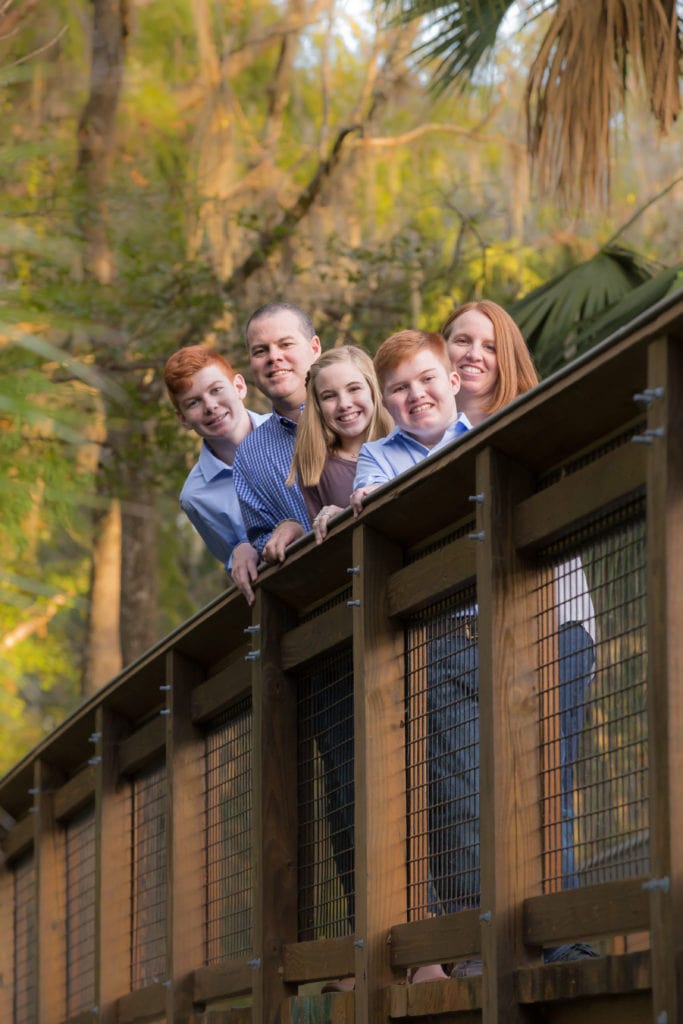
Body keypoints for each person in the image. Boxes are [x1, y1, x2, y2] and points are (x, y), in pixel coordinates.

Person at [421, 300, 597, 978]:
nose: (470, 353)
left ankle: (562, 942)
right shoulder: (415, 433)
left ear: (507, 358)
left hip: (555, 626)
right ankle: (475, 952)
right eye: (458, 340)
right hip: (454, 635)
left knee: (544, 789)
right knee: (457, 789)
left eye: (486, 345)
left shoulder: (541, 420)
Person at [163, 345, 270, 605]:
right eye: (193, 402)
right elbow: (237, 561)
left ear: (240, 387)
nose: (210, 406)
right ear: (183, 418)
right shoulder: (195, 497)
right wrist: (239, 550)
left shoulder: (293, 430)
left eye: (216, 390)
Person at [233, 302, 321, 569]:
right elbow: (262, 542)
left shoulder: (359, 410)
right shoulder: (249, 457)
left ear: (314, 348)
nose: (274, 357)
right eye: (261, 351)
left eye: (285, 344)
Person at [350, 329, 471, 515]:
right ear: (386, 406)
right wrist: (374, 493)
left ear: (453, 383)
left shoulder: (484, 436)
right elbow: (373, 499)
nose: (416, 394)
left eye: (428, 378)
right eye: (400, 388)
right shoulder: (374, 456)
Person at [286, 346, 393, 544]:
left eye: (354, 388)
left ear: (373, 389)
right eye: (329, 396)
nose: (344, 404)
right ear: (317, 407)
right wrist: (339, 519)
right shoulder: (316, 466)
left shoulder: (403, 440)